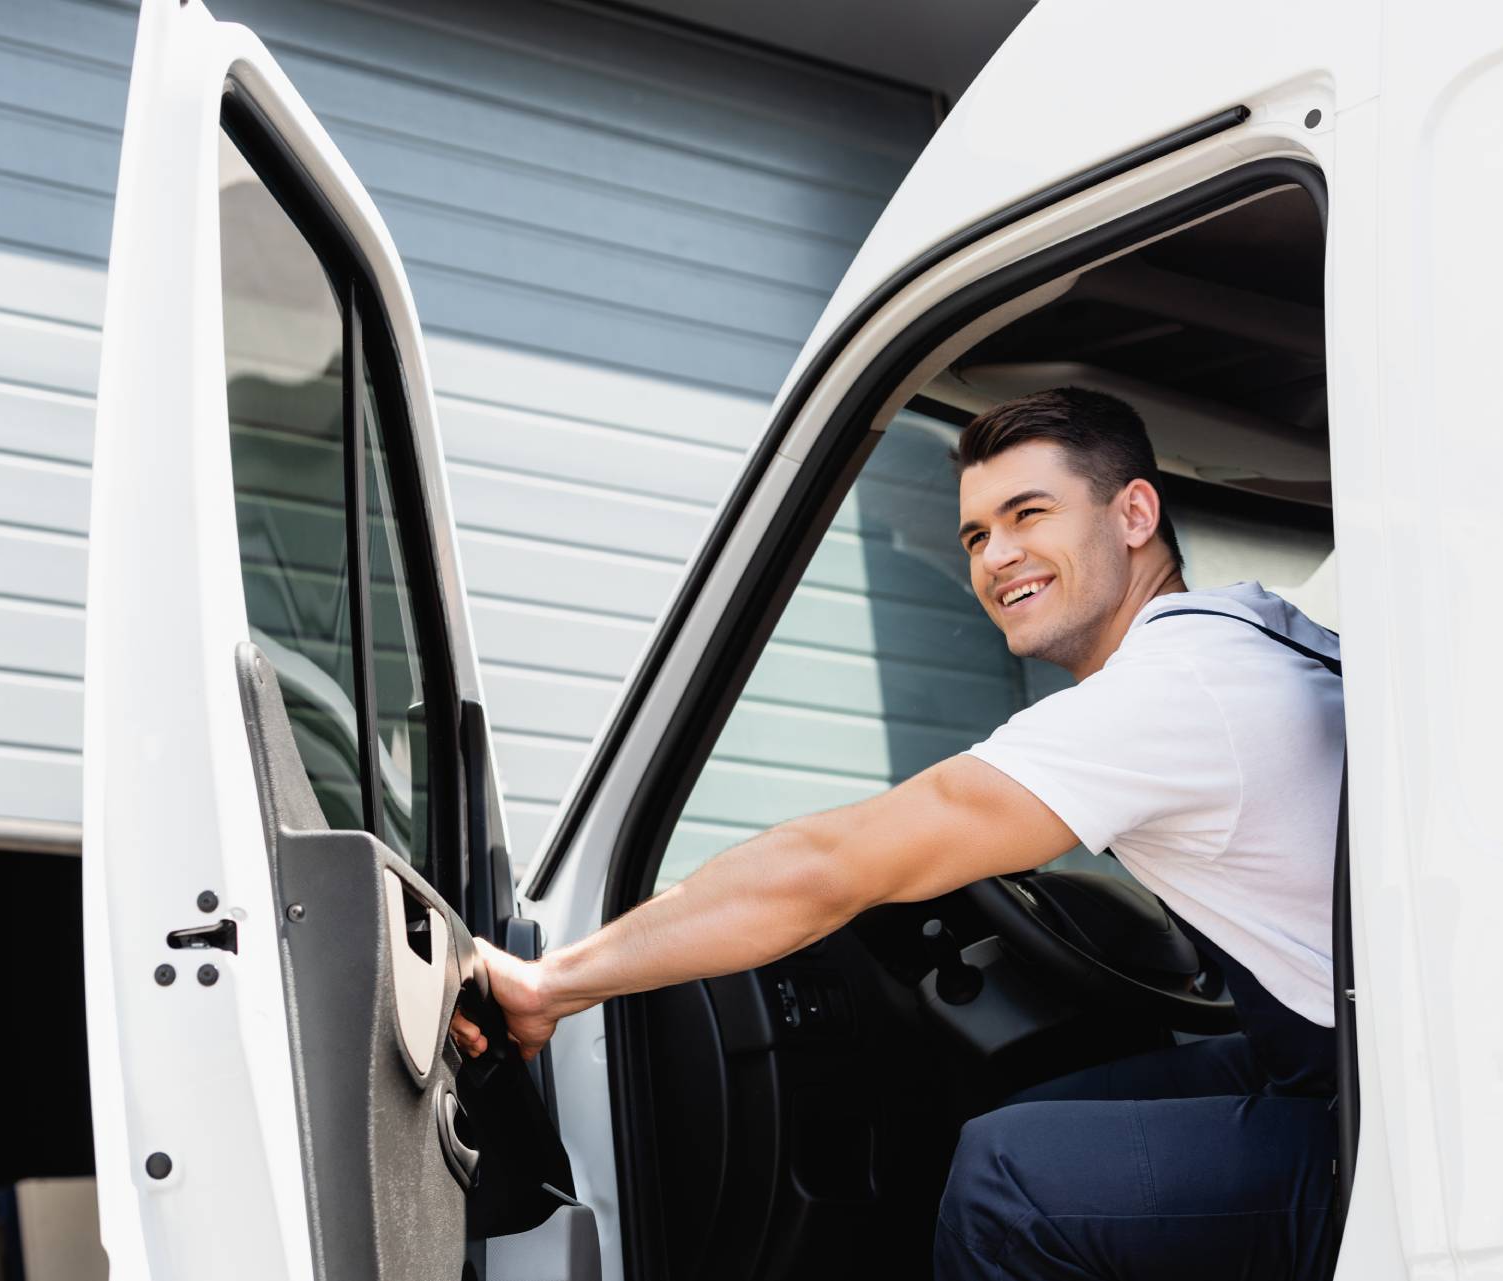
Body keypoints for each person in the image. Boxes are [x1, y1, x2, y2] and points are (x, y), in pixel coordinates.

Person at [453, 387, 1345, 1280]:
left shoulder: (1166, 694)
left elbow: (828, 869)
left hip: (1375, 1125)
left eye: (1028, 513)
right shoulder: (1251, 631)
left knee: (1007, 1185)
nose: (998, 556)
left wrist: (553, 981)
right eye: (975, 535)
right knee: (1045, 1110)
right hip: (1343, 1069)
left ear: (1135, 513)